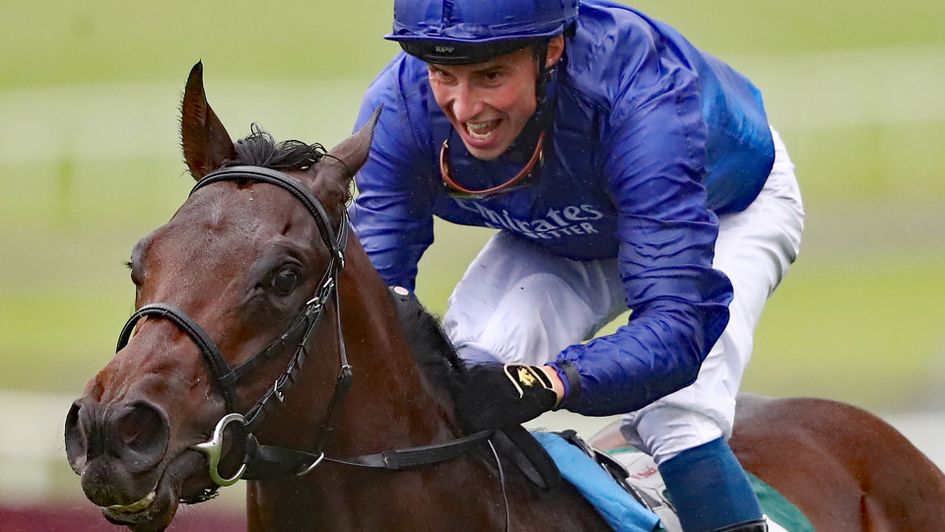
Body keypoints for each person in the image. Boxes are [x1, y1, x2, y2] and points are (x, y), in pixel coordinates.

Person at [349, 1, 804, 530]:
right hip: (563, 226)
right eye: (443, 74)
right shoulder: (399, 106)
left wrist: (554, 380)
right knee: (462, 380)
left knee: (677, 417)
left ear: (552, 50)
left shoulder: (642, 92)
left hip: (721, 209)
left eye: (491, 75)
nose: (465, 107)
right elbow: (370, 307)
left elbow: (677, 326)